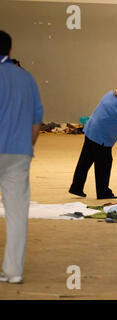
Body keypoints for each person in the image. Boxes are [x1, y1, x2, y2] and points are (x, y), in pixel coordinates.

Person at [0, 30, 43, 284]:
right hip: (18, 153)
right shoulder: (27, 79)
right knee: (16, 214)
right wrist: (27, 147)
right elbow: (37, 120)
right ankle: (13, 271)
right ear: (11, 51)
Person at [69, 80, 117, 199]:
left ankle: (76, 187)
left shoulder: (111, 94)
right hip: (101, 136)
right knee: (104, 163)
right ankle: (103, 192)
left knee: (85, 160)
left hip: (91, 130)